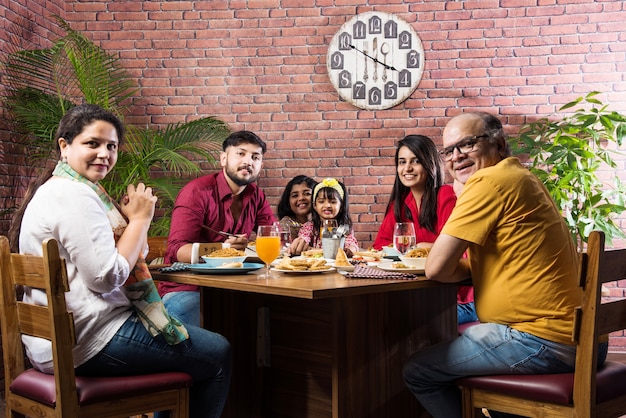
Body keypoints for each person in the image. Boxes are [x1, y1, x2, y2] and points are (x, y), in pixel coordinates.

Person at [8, 104, 231, 418]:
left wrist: (133, 223)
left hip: (56, 343)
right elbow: (106, 277)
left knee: (188, 333)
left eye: (111, 146)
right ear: (64, 146)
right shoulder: (76, 196)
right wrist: (140, 221)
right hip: (89, 342)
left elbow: (127, 259)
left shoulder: (57, 191)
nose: (104, 154)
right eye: (92, 143)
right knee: (218, 353)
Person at [402, 112, 607, 418]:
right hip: (578, 337)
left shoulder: (488, 182)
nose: (456, 157)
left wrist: (463, 195)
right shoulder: (520, 176)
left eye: (467, 144)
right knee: (469, 340)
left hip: (542, 341)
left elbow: (436, 269)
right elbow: (477, 263)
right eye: (448, 151)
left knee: (417, 370)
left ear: (498, 145)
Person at [161, 130, 276, 326]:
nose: (248, 161)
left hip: (236, 286)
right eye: (241, 154)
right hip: (189, 289)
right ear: (223, 159)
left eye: (255, 157)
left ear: (260, 165)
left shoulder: (256, 195)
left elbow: (272, 234)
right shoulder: (196, 192)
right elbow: (178, 249)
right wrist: (224, 251)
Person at [371, 134, 476, 324]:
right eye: (402, 162)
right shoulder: (400, 205)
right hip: (419, 295)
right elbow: (379, 247)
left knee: (403, 322)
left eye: (416, 161)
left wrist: (417, 248)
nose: (407, 168)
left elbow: (461, 253)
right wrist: (417, 250)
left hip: (457, 300)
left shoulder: (446, 196)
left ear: (429, 164)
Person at [288, 177, 359, 256]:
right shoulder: (310, 227)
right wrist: (300, 244)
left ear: (341, 206)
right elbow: (303, 241)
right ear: (315, 205)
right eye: (321, 201)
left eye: (333, 202)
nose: (327, 205)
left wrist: (350, 250)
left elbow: (352, 245)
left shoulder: (343, 228)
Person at [276, 175, 318, 240]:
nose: (301, 198)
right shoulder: (285, 226)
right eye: (295, 195)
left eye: (307, 193)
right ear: (288, 202)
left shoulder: (323, 223)